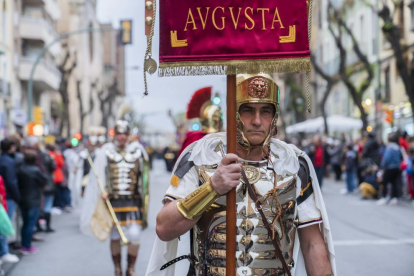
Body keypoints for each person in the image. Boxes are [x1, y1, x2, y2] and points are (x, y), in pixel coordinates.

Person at [146, 74, 336, 276]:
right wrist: (212, 188)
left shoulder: (293, 164)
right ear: (233, 113)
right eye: (247, 110)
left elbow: (311, 244)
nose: (256, 121)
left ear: (274, 117)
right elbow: (164, 228)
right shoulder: (200, 157)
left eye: (265, 111)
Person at [81, 119, 150, 276]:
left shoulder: (138, 151)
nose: (121, 137)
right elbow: (99, 174)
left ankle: (130, 267)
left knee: (134, 235)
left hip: (133, 201)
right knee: (114, 237)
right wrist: (103, 191)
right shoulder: (106, 151)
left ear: (128, 135)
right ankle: (117, 268)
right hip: (113, 201)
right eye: (119, 134)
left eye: (124, 134)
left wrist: (145, 206)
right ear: (115, 135)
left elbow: (144, 181)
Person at [177, 86, 223, 157]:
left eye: (218, 120)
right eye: (215, 119)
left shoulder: (225, 137)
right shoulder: (194, 138)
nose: (217, 123)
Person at [17, 150, 48, 255]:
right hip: (33, 200)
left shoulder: (20, 169)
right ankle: (27, 246)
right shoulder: (35, 170)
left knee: (25, 223)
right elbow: (44, 180)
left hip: (23, 199)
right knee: (30, 224)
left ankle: (23, 245)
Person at [0, 138, 20, 264]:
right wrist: (17, 196)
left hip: (5, 195)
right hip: (6, 196)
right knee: (4, 225)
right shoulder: (8, 161)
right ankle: (4, 252)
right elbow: (11, 182)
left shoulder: (4, 159)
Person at [377, 133, 402, 205]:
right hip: (396, 167)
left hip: (389, 167)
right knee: (394, 183)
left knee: (385, 182)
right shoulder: (397, 147)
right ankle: (394, 197)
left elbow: (386, 158)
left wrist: (382, 166)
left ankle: (384, 197)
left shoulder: (389, 147)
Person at [47, 144, 71, 211]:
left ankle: (59, 204)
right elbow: (60, 163)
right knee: (58, 191)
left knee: (57, 191)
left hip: (55, 175)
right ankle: (60, 204)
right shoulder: (56, 155)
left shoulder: (51, 155)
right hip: (57, 175)